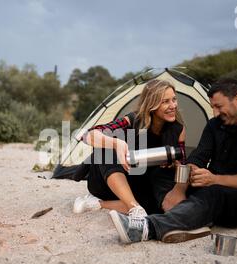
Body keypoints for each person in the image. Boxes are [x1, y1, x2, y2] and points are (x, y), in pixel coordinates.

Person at [109, 78, 237, 243]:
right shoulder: (214, 125)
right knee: (164, 172)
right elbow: (198, 157)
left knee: (213, 193)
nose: (215, 112)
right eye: (213, 107)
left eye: (219, 107)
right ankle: (180, 216)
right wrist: (179, 189)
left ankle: (147, 228)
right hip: (217, 189)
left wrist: (214, 179)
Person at [73, 79, 186, 217]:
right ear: (152, 104)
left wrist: (174, 164)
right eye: (165, 101)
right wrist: (116, 144)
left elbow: (183, 164)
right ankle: (135, 209)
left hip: (138, 183)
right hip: (107, 180)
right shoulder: (133, 120)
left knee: (155, 203)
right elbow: (86, 135)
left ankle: (99, 204)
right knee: (105, 148)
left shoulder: (178, 130)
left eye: (174, 99)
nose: (173, 105)